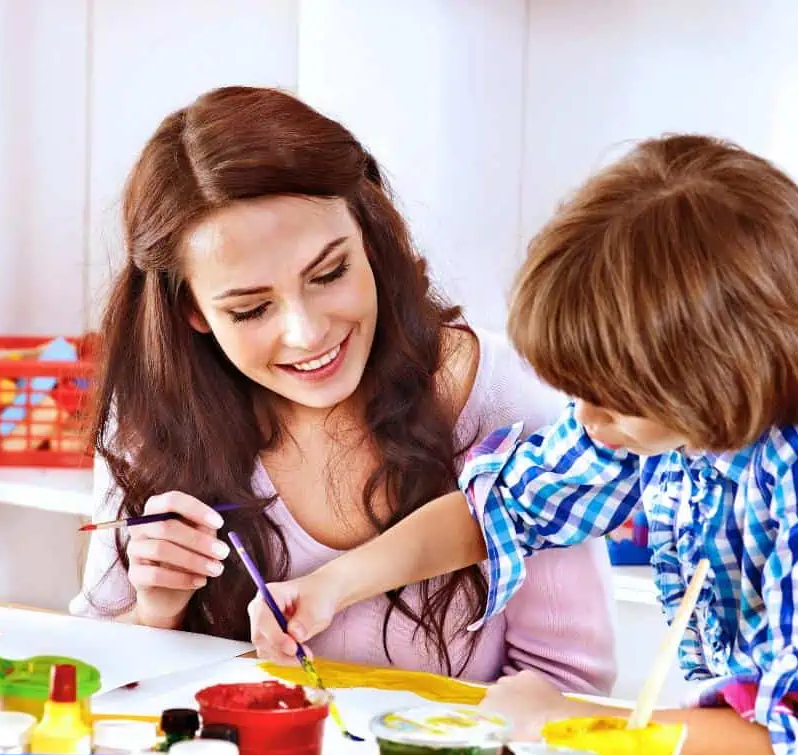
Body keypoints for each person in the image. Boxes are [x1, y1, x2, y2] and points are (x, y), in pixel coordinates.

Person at [247, 133, 798, 755]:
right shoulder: (656, 409)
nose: (586, 420)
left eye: (611, 403)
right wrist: (335, 583)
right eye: (581, 393)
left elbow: (781, 749)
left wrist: (552, 720)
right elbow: (500, 510)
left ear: (717, 380)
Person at [68, 85, 616, 691]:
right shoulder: (155, 412)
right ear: (191, 311)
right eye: (250, 310)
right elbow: (101, 681)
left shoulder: (511, 408)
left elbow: (571, 692)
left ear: (371, 240)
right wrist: (156, 610)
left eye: (330, 273)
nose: (306, 335)